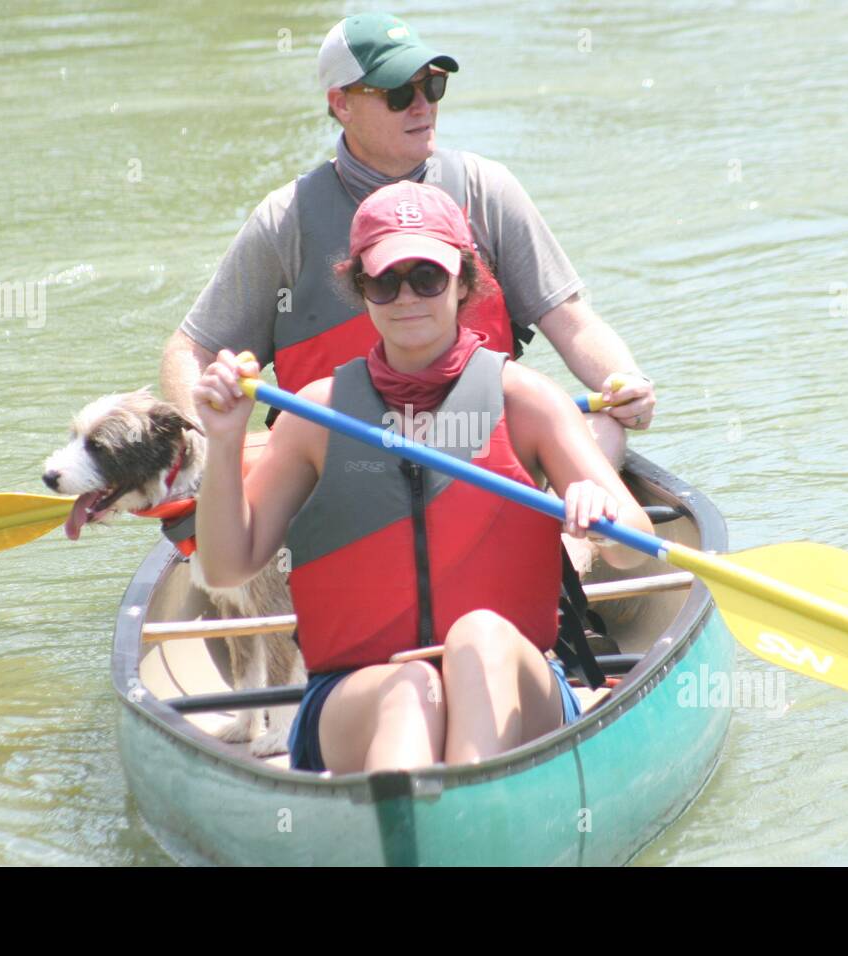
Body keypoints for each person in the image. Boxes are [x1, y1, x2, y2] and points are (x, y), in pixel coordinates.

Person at [189, 182, 655, 773]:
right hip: (358, 692)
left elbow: (635, 550)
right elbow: (229, 567)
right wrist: (226, 441)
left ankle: (456, 811)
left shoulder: (527, 401)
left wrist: (603, 519)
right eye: (386, 281)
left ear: (464, 282)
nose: (407, 296)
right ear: (362, 290)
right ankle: (430, 821)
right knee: (410, 688)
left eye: (428, 277)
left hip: (516, 677)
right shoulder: (317, 413)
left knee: (480, 636)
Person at [162, 11, 656, 470]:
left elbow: (569, 318)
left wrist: (625, 382)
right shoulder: (284, 220)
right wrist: (200, 452)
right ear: (341, 104)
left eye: (432, 86)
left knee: (604, 427)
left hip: (482, 452)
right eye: (399, 93)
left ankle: (573, 553)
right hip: (339, 470)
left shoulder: (488, 190)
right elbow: (191, 350)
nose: (422, 106)